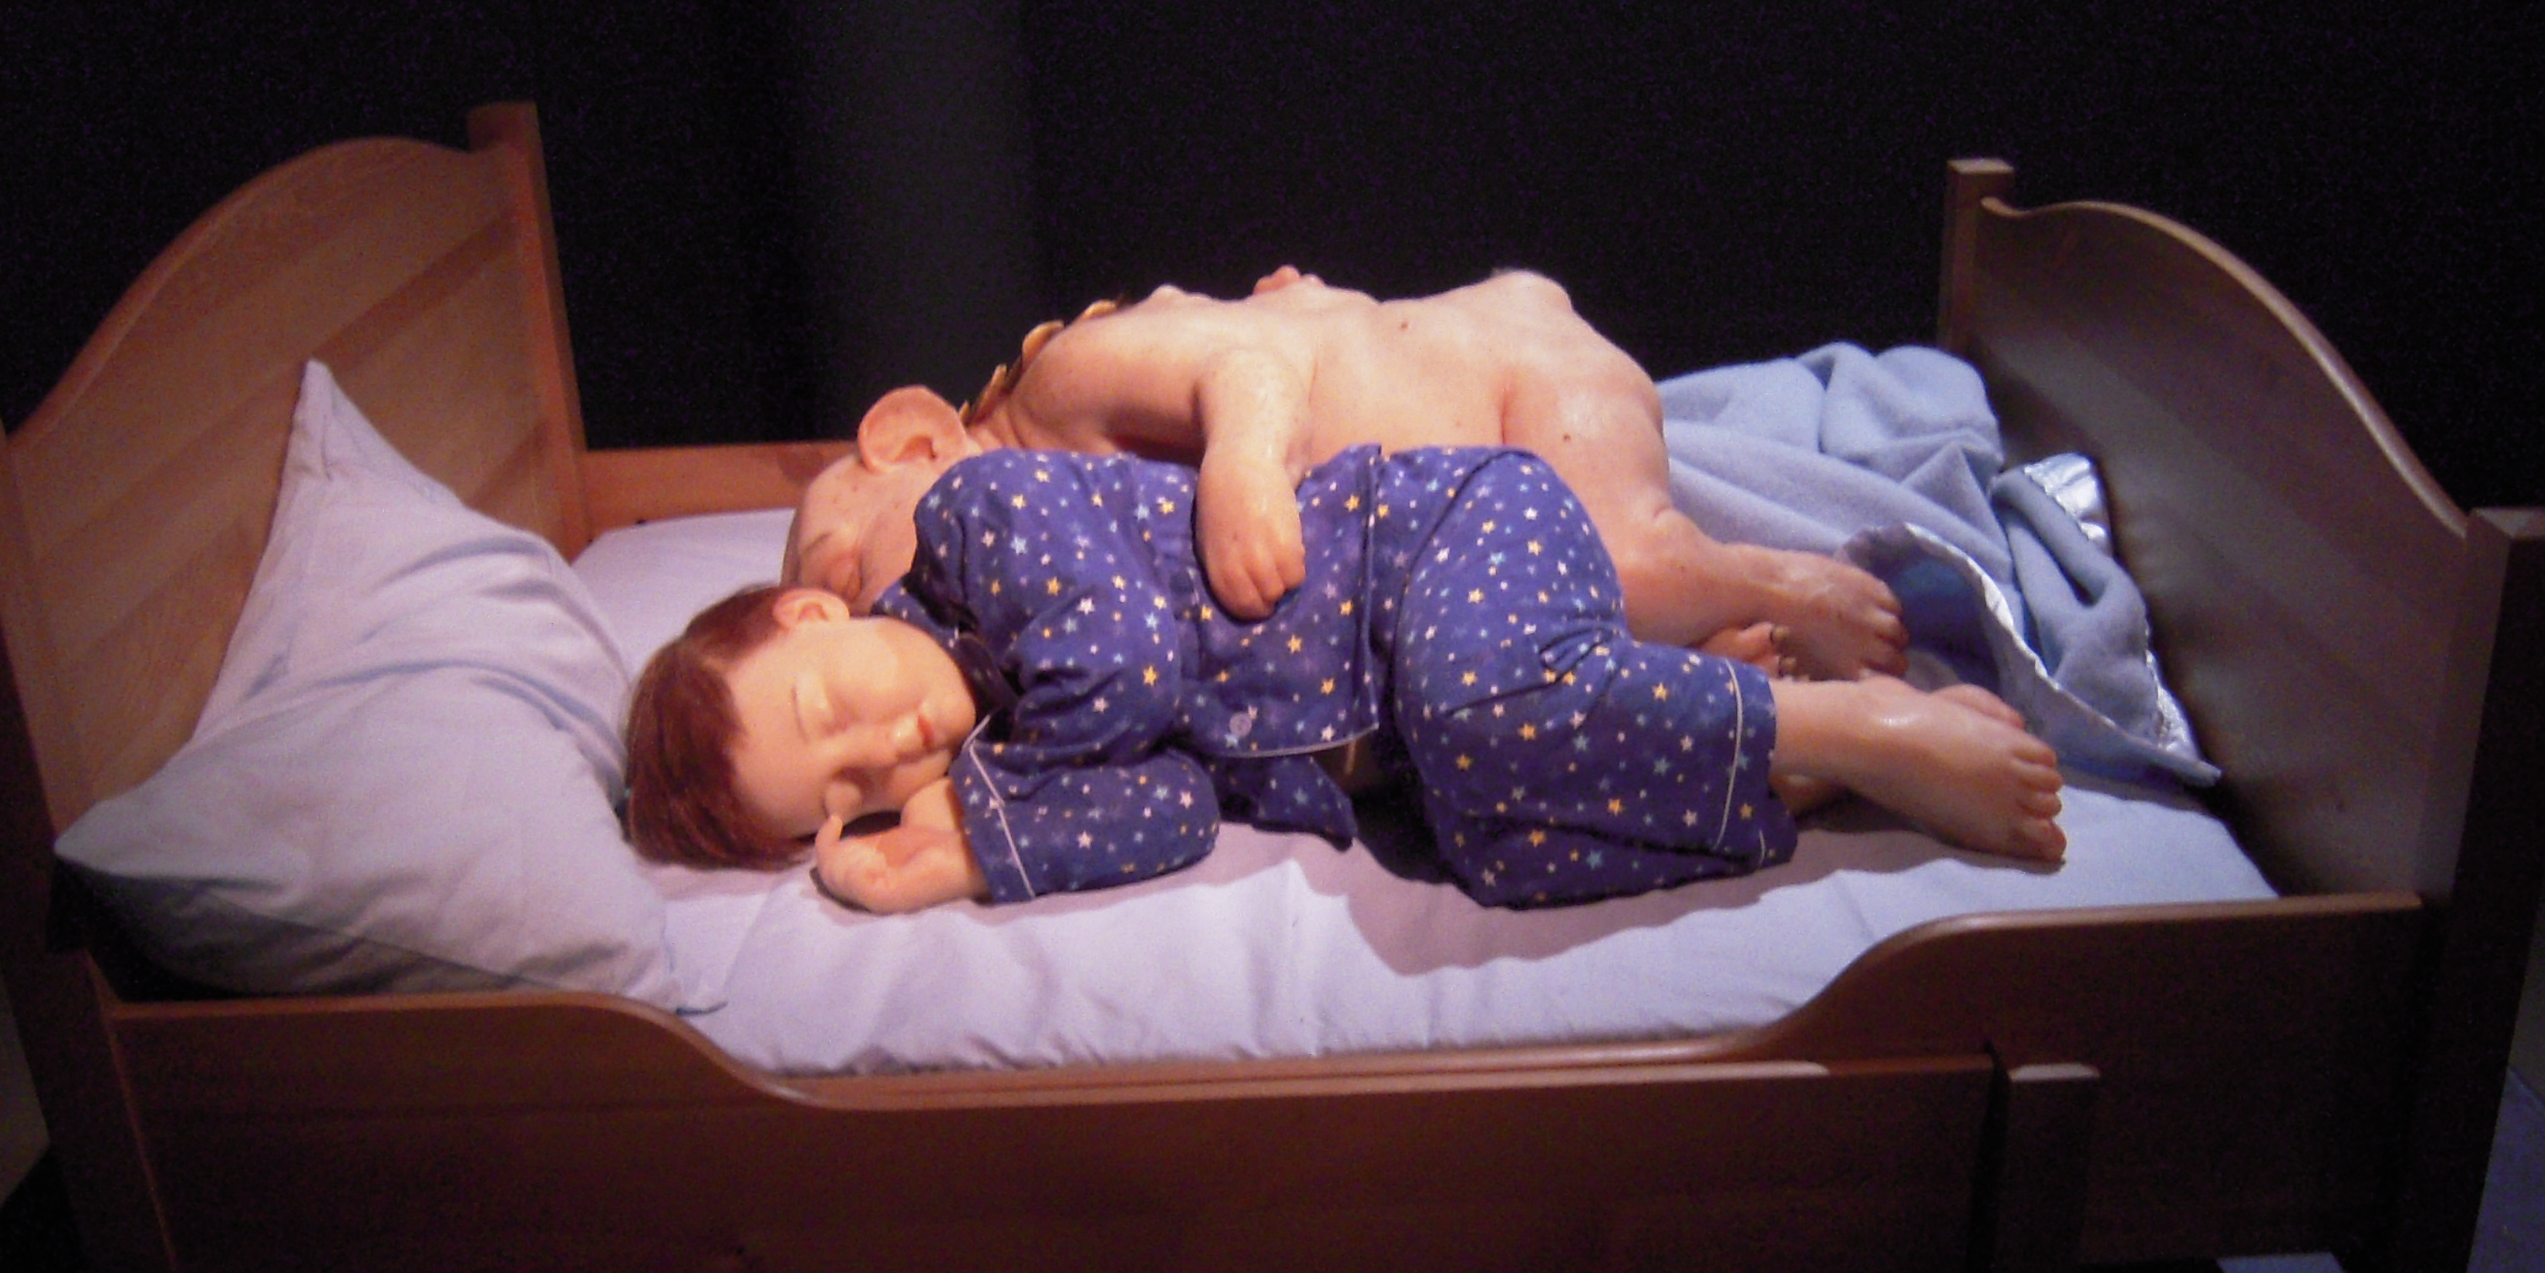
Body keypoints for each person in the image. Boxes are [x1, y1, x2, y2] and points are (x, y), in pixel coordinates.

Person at [628, 445, 2062, 914]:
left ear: (814, 606)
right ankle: (1787, 771)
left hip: (1434, 541)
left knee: (1476, 717)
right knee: (1493, 847)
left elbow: (1128, 664)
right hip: (1419, 724)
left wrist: (994, 798)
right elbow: (1176, 811)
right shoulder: (1014, 750)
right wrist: (955, 863)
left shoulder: (973, 524)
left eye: (834, 709)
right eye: (859, 787)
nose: (891, 742)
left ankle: (1860, 724)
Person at [781, 269, 1907, 679]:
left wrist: (1240, 471)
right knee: (1530, 659)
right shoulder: (1033, 570)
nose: (876, 611)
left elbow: (1250, 365)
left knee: (1627, 566)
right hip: (1464, 522)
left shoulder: (1056, 389)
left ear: (916, 441)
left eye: (846, 568)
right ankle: (1705, 667)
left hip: (1513, 385)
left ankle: (1775, 583)